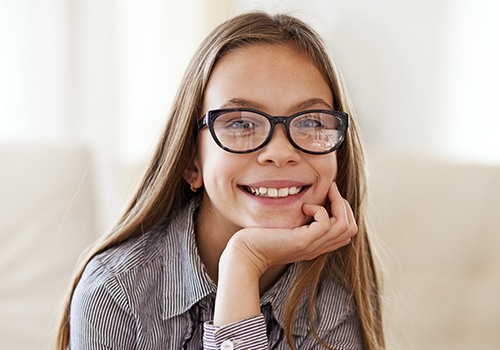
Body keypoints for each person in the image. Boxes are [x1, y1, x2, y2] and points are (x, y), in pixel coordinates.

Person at [57, 11, 384, 350]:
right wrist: (245, 262)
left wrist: (243, 263)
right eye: (241, 123)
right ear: (190, 162)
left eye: (311, 122)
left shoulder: (334, 297)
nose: (280, 152)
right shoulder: (114, 292)